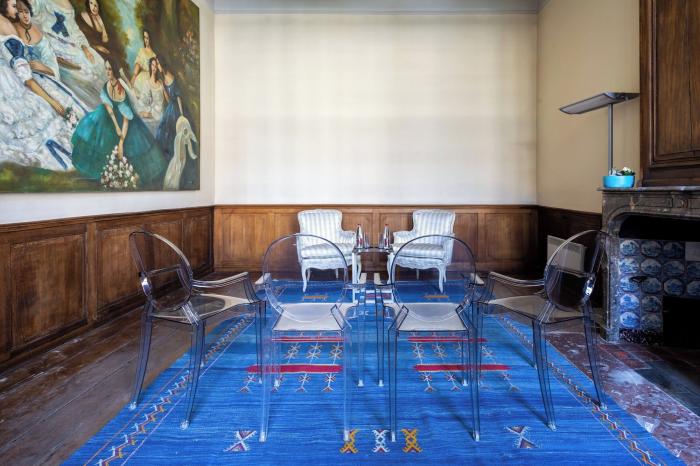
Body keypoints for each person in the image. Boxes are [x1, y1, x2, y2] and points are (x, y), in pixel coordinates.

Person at [0, 0, 75, 171]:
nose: (17, 11)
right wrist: (52, 102)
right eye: (14, 6)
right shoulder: (7, 28)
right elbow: (26, 77)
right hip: (10, 85)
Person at [71, 58, 167, 189]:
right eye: (106, 69)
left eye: (110, 69)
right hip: (110, 118)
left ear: (114, 70)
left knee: (131, 149)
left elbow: (126, 117)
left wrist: (121, 141)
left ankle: (126, 176)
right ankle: (102, 174)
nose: (107, 72)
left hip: (126, 122)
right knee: (99, 128)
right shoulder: (107, 85)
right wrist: (115, 126)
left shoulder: (121, 90)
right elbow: (108, 107)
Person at [13, 0, 87, 117]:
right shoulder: (13, 31)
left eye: (26, 11)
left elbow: (50, 59)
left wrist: (45, 68)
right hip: (28, 80)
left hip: (48, 76)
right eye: (21, 12)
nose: (25, 15)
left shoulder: (38, 27)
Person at [31, 0, 105, 107]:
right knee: (83, 77)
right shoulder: (40, 3)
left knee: (98, 63)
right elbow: (35, 24)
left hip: (71, 45)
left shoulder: (67, 4)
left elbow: (74, 30)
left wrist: (85, 48)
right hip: (52, 47)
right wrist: (53, 55)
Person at [138, 56, 164, 134]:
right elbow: (143, 100)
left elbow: (162, 101)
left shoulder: (161, 83)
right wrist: (145, 112)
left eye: (156, 65)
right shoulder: (147, 83)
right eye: (152, 65)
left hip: (159, 112)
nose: (154, 67)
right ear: (150, 66)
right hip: (152, 110)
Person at [130, 29, 155, 99]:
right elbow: (138, 64)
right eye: (144, 37)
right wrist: (134, 76)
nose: (145, 40)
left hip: (150, 81)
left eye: (147, 38)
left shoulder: (154, 54)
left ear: (151, 39)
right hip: (141, 79)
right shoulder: (142, 50)